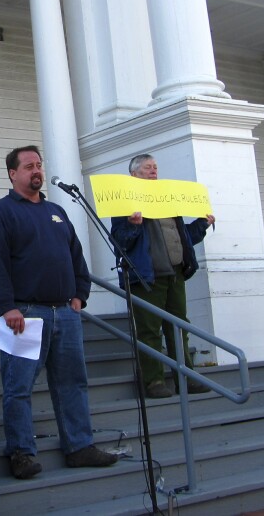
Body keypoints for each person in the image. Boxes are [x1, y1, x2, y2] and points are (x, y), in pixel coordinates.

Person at [0, 145, 117, 480]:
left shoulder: (56, 211)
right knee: (19, 386)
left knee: (72, 382)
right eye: (28, 166)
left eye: (39, 164)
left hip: (65, 315)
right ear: (13, 174)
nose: (36, 170)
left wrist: (80, 296)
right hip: (24, 314)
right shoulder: (0, 214)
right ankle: (22, 453)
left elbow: (75, 256)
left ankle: (79, 446)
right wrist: (6, 307)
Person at [110, 154, 215, 399]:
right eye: (147, 167)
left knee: (179, 327)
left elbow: (184, 237)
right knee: (149, 330)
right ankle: (153, 381)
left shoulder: (168, 199)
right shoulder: (125, 203)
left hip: (175, 274)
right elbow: (119, 241)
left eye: (155, 166)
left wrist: (202, 224)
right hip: (147, 277)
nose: (153, 170)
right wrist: (134, 225)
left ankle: (186, 378)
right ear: (134, 174)